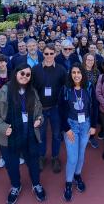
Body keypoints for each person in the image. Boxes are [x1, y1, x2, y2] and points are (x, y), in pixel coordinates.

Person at [0, 64, 47, 204]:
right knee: (12, 165)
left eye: (28, 75)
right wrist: (3, 127)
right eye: (22, 73)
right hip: (9, 137)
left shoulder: (32, 92)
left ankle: (36, 184)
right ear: (16, 73)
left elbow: (40, 113)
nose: (25, 77)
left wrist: (39, 120)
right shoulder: (4, 91)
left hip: (29, 135)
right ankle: (16, 186)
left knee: (33, 162)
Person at [59, 63, 98, 202]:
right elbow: (61, 110)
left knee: (81, 154)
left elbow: (95, 107)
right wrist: (66, 128)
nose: (76, 75)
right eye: (74, 72)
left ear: (83, 74)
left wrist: (93, 125)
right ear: (71, 74)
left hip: (86, 125)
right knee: (72, 157)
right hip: (71, 126)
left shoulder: (88, 87)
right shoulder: (65, 89)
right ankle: (68, 183)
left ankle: (77, 175)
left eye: (79, 72)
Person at [32, 43, 67, 173]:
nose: (49, 56)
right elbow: (32, 89)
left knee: (57, 134)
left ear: (55, 54)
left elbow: (65, 88)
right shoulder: (35, 70)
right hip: (40, 109)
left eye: (51, 54)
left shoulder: (61, 69)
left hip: (55, 108)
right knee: (41, 135)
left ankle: (55, 157)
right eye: (46, 54)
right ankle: (41, 157)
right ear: (43, 54)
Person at [82, 53, 101, 149]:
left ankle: (92, 137)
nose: (90, 61)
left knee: (92, 117)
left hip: (93, 99)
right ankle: (83, 136)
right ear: (84, 60)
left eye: (92, 60)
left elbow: (99, 85)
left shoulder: (97, 72)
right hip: (81, 98)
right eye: (88, 59)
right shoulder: (80, 71)